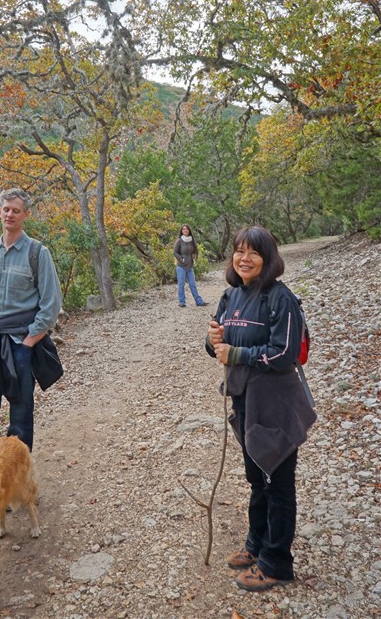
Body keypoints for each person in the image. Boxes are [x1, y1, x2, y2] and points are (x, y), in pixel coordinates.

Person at [206, 226, 316, 592]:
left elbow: (284, 353)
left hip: (275, 403)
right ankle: (257, 543)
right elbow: (218, 347)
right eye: (239, 251)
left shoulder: (279, 298)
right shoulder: (231, 296)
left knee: (277, 482)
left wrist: (236, 353)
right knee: (257, 478)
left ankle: (277, 563)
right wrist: (214, 342)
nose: (245, 258)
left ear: (269, 259)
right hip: (245, 401)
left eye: (254, 252)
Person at [0, 188, 62, 451]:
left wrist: (29, 341)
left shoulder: (37, 253)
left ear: (25, 215)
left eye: (16, 210)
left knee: (20, 414)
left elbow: (51, 305)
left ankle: (19, 480)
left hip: (20, 342)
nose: (10, 214)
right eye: (6, 209)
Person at [173, 224, 208, 307]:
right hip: (181, 266)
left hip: (190, 266)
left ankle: (199, 301)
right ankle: (182, 302)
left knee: (192, 284)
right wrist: (182, 259)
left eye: (186, 229)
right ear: (181, 231)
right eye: (183, 229)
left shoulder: (192, 240)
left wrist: (195, 259)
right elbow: (175, 252)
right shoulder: (179, 241)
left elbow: (195, 251)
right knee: (181, 284)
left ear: (189, 230)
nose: (185, 230)